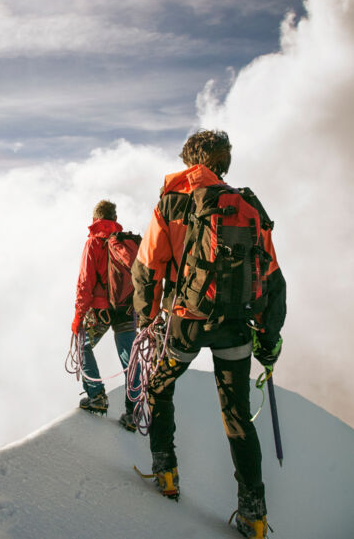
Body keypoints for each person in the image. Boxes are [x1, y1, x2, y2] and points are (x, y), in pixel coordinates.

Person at [131, 130, 286, 539]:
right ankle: (253, 515)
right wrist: (269, 340)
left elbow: (148, 266)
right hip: (236, 324)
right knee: (237, 416)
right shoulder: (247, 205)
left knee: (159, 388)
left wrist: (147, 318)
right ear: (224, 162)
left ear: (190, 162)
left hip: (187, 321)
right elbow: (272, 277)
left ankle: (166, 474)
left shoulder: (172, 201)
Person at [71, 199, 141, 431]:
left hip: (101, 310)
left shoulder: (94, 242)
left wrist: (78, 317)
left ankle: (96, 397)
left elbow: (85, 282)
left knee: (83, 344)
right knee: (130, 360)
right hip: (127, 309)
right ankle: (134, 412)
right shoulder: (124, 243)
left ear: (95, 219)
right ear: (114, 218)